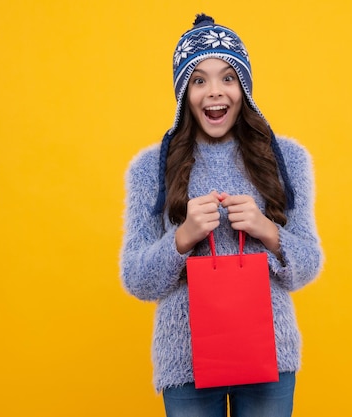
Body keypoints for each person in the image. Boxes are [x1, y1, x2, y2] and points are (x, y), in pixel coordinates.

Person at [119, 13, 323, 417]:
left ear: (244, 86)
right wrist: (182, 238)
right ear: (183, 91)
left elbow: (309, 265)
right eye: (199, 80)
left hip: (269, 358)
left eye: (228, 77)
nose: (215, 92)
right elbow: (136, 280)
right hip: (186, 363)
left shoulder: (287, 159)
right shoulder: (150, 168)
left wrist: (268, 231)